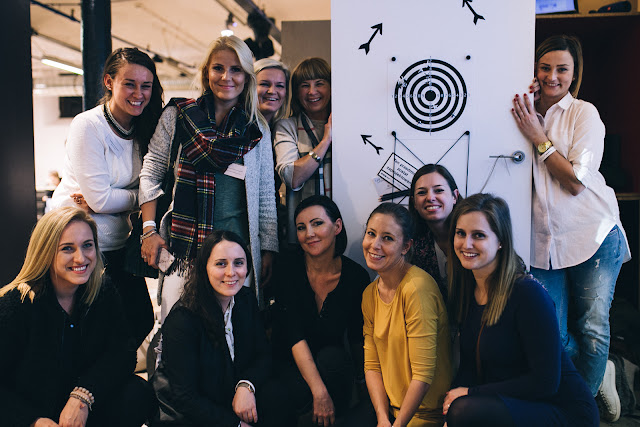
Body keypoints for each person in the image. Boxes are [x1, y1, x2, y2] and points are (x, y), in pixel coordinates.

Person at [511, 34, 630, 408]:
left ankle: (581, 408)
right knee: (552, 332)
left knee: (592, 327)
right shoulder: (521, 111)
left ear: (574, 74)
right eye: (544, 67)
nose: (552, 76)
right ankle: (600, 372)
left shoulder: (583, 113)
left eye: (562, 69)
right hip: (542, 242)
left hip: (591, 233)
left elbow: (576, 182)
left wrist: (539, 138)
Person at [139, 36, 278, 320]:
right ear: (206, 73)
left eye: (236, 69)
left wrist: (267, 250)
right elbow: (151, 171)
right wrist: (149, 230)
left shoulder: (256, 129)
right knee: (176, 330)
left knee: (231, 336)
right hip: (182, 252)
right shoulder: (178, 115)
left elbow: (265, 195)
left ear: (247, 76)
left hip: (236, 255)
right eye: (218, 68)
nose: (227, 77)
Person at [442, 193, 598, 427]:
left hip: (564, 410)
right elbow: (469, 368)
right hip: (516, 404)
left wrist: (471, 393)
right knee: (456, 407)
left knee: (463, 410)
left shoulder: (527, 293)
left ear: (501, 241)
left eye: (479, 235)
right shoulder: (467, 290)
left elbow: (545, 383)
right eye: (460, 233)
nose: (467, 244)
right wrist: (450, 404)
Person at [0, 207, 156, 427]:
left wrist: (83, 394)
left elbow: (122, 354)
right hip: (33, 412)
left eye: (87, 245)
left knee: (137, 392)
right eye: (67, 248)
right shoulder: (16, 305)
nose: (81, 258)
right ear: (46, 252)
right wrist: (33, 421)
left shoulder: (103, 291)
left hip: (80, 410)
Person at [51, 47, 163, 347]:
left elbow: (104, 199)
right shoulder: (87, 125)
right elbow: (100, 200)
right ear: (109, 82)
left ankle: (113, 373)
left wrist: (112, 200)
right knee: (92, 331)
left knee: (140, 319)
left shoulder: (146, 127)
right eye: (129, 84)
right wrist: (142, 199)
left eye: (146, 86)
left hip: (119, 242)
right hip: (80, 243)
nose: (138, 94)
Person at [152, 230, 281, 426]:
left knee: (277, 395)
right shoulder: (183, 319)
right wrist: (235, 425)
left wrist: (246, 385)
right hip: (196, 415)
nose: (231, 272)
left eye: (238, 263)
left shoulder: (246, 300)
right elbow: (185, 397)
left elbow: (263, 355)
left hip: (231, 397)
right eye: (221, 264)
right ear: (204, 268)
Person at [271, 195, 370, 426]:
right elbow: (293, 334)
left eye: (317, 223)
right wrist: (319, 393)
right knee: (294, 389)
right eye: (301, 227)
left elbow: (357, 337)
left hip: (331, 366)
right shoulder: (287, 267)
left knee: (332, 358)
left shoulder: (356, 277)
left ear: (337, 226)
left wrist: (362, 385)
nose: (309, 234)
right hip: (289, 362)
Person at [362, 203, 452, 427]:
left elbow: (423, 374)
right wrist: (382, 418)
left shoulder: (417, 288)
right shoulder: (369, 294)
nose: (375, 245)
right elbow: (372, 365)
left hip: (427, 415)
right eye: (371, 234)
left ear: (406, 247)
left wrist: (397, 424)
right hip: (391, 411)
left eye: (387, 238)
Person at [273, 57, 332, 243]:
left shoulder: (349, 124)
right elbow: (292, 177)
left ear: (331, 87)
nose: (312, 91)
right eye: (305, 85)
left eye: (319, 84)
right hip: (301, 233)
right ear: (297, 93)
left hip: (344, 223)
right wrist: (326, 141)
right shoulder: (286, 127)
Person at [409, 164, 461, 301]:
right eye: (422, 192)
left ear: (454, 196)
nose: (430, 197)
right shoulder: (413, 244)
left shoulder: (473, 236)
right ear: (414, 202)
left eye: (438, 190)